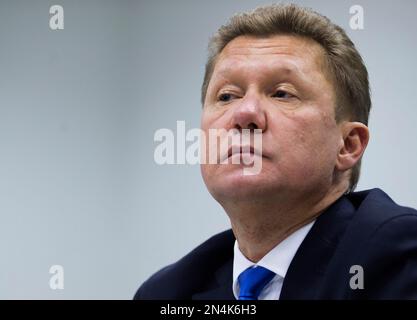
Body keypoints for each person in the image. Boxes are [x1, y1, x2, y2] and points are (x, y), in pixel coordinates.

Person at [134, 4, 417, 299]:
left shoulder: (396, 259)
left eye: (282, 93)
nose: (245, 113)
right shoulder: (170, 291)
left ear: (348, 145)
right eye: (227, 95)